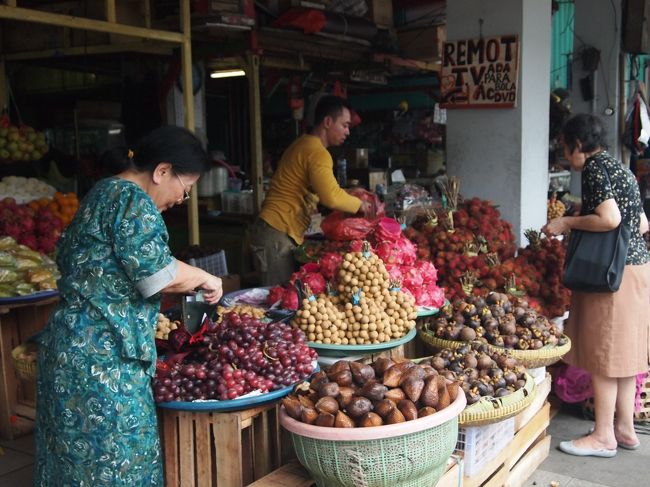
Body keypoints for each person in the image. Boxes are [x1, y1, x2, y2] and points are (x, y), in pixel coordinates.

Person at [33, 126, 224, 485]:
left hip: (69, 350)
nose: (182, 200)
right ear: (162, 171)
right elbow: (157, 275)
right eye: (186, 189)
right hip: (104, 360)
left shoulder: (101, 193)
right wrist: (203, 277)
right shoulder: (133, 201)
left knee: (71, 462)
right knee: (119, 462)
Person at [542, 114, 650, 458]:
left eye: (565, 148)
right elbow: (642, 224)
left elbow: (610, 219)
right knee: (624, 354)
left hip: (612, 277)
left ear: (577, 145)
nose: (566, 156)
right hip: (636, 270)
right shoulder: (621, 169)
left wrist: (568, 221)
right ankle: (624, 428)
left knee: (604, 355)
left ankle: (604, 436)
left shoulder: (592, 168)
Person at [250, 95, 366, 286]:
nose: (348, 132)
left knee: (285, 295)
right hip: (277, 230)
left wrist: (352, 194)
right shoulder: (318, 152)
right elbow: (331, 197)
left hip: (277, 229)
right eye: (345, 125)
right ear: (328, 122)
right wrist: (361, 204)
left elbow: (327, 189)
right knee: (277, 299)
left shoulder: (304, 144)